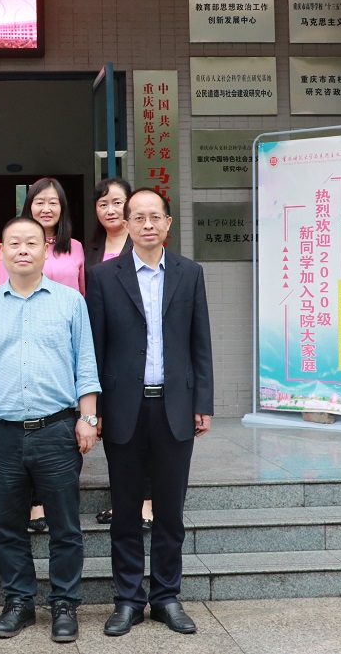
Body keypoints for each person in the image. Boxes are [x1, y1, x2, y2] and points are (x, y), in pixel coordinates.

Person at [0, 217, 101, 644]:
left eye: (31, 243)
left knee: (65, 527)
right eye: (14, 243)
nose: (22, 250)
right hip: (2, 432)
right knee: (9, 526)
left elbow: (85, 364)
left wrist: (88, 418)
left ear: (45, 250)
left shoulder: (70, 301)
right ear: (1, 252)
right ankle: (18, 602)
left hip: (57, 429)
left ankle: (65, 604)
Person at [85, 187, 214, 637]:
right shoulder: (103, 276)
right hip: (124, 408)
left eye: (154, 216)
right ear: (126, 223)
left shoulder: (189, 273)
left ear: (168, 223)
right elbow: (95, 348)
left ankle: (166, 597)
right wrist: (95, 408)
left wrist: (202, 402)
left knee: (170, 511)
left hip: (175, 406)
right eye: (137, 217)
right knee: (125, 511)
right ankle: (127, 599)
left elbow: (200, 342)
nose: (146, 224)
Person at [17, 177, 86, 532]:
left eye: (53, 202)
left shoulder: (75, 247)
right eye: (39, 202)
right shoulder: (16, 244)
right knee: (28, 423)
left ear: (62, 208)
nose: (46, 208)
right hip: (25, 344)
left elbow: (82, 296)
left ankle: (57, 495)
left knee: (61, 424)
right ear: (28, 206)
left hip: (64, 346)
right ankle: (35, 503)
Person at [84, 177, 152, 529]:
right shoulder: (89, 250)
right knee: (119, 433)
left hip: (143, 349)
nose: (110, 210)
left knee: (147, 432)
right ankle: (124, 501)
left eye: (116, 203)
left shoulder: (143, 243)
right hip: (107, 348)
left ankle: (146, 503)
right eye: (102, 204)